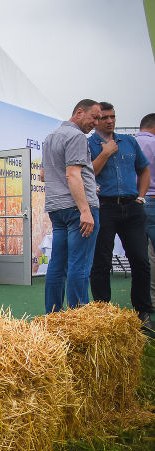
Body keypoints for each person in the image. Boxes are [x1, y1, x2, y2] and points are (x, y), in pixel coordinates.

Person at [87, 103, 152, 328]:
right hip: (104, 206)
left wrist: (141, 197)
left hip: (132, 206)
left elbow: (144, 169)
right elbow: (90, 173)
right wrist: (105, 153)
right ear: (96, 120)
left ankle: (143, 312)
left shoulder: (130, 141)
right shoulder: (89, 144)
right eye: (104, 117)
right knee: (101, 262)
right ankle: (103, 311)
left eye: (113, 116)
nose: (110, 121)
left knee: (141, 261)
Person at [42, 99, 101, 314]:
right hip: (77, 209)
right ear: (79, 112)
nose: (96, 122)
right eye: (94, 117)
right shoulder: (76, 136)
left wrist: (88, 185)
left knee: (57, 265)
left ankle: (53, 316)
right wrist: (85, 210)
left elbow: (44, 174)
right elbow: (72, 174)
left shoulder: (50, 137)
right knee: (80, 265)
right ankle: (79, 319)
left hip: (57, 209)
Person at [135, 113, 155, 320]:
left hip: (132, 201)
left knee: (141, 255)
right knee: (148, 256)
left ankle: (144, 301)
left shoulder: (129, 143)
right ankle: (149, 300)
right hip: (151, 199)